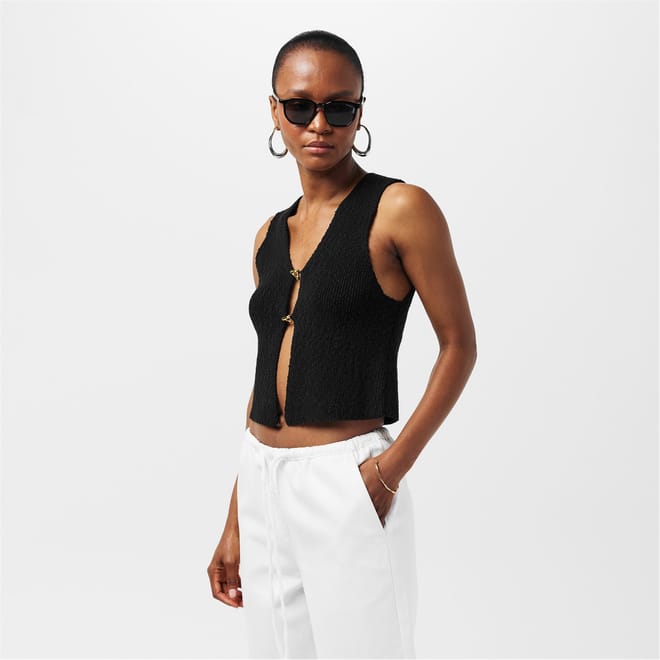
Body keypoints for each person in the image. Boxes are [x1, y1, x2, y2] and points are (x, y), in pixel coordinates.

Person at [207, 29, 477, 659]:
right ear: (274, 110)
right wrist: (236, 518)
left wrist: (387, 473)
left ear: (360, 110)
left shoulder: (399, 208)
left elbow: (459, 344)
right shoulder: (269, 236)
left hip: (347, 477)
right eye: (300, 106)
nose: (319, 124)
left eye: (339, 107)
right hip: (261, 477)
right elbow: (265, 376)